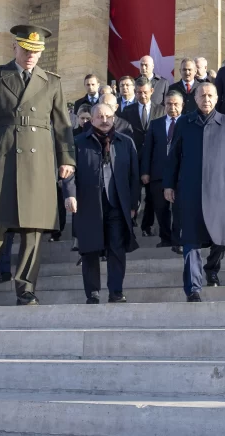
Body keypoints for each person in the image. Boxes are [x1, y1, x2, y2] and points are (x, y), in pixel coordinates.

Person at [0, 24, 76, 307]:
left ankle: (26, 288)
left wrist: (67, 159)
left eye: (36, 52)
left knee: (33, 228)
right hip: (1, 155)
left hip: (37, 160)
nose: (31, 56)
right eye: (26, 50)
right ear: (15, 47)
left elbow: (62, 125)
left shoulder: (52, 81)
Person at [164, 82, 225, 301]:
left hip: (220, 190)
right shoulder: (184, 123)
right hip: (189, 191)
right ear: (195, 99)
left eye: (210, 96)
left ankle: (212, 268)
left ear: (216, 98)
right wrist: (169, 185)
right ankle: (193, 288)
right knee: (190, 240)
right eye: (202, 96)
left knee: (221, 239)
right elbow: (173, 157)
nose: (206, 99)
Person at [63, 102, 139, 304]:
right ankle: (93, 292)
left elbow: (134, 177)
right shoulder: (78, 142)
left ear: (114, 118)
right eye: (100, 117)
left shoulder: (126, 142)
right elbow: (68, 174)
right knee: (90, 250)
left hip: (117, 205)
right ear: (92, 119)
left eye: (108, 117)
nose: (104, 121)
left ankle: (116, 291)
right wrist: (70, 195)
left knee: (117, 249)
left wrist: (133, 204)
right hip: (88, 205)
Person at [141, 91, 183, 250]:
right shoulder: (156, 124)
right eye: (169, 104)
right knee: (161, 208)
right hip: (158, 173)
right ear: (164, 106)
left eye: (176, 104)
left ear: (182, 105)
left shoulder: (187, 122)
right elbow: (148, 149)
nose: (172, 107)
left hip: (180, 174)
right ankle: (165, 238)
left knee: (179, 208)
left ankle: (177, 238)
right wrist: (145, 172)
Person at [123, 77, 164, 236]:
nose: (142, 96)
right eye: (139, 93)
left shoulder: (160, 109)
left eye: (145, 92)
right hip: (133, 158)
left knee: (152, 196)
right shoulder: (127, 111)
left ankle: (147, 225)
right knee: (133, 193)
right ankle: (131, 222)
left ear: (152, 91)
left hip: (154, 159)